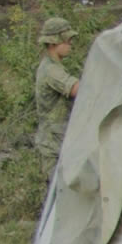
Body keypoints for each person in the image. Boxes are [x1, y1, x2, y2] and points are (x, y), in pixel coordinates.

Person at [34, 17, 81, 171]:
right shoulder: (51, 70)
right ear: (53, 43)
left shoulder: (54, 66)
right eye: (66, 41)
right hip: (53, 148)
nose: (70, 45)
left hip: (59, 143)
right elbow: (77, 89)